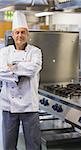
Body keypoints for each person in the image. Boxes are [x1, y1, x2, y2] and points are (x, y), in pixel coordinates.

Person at [0, 11, 42, 150]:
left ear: (27, 35)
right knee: (8, 145)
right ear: (13, 35)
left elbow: (33, 69)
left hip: (29, 105)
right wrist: (20, 71)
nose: (20, 36)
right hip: (8, 105)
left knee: (33, 145)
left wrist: (12, 67)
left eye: (23, 32)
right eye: (17, 32)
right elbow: (1, 72)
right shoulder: (4, 52)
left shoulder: (35, 51)